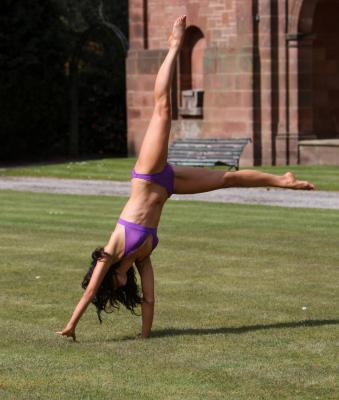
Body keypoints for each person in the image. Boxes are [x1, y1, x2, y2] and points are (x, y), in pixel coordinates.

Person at [56, 15, 314, 341]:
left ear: (109, 280)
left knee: (162, 110)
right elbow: (149, 298)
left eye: (113, 285)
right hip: (168, 185)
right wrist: (144, 335)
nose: (120, 287)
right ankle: (283, 180)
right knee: (226, 179)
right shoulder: (141, 257)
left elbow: (89, 290)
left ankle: (175, 46)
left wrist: (71, 326)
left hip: (149, 176)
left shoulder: (112, 252)